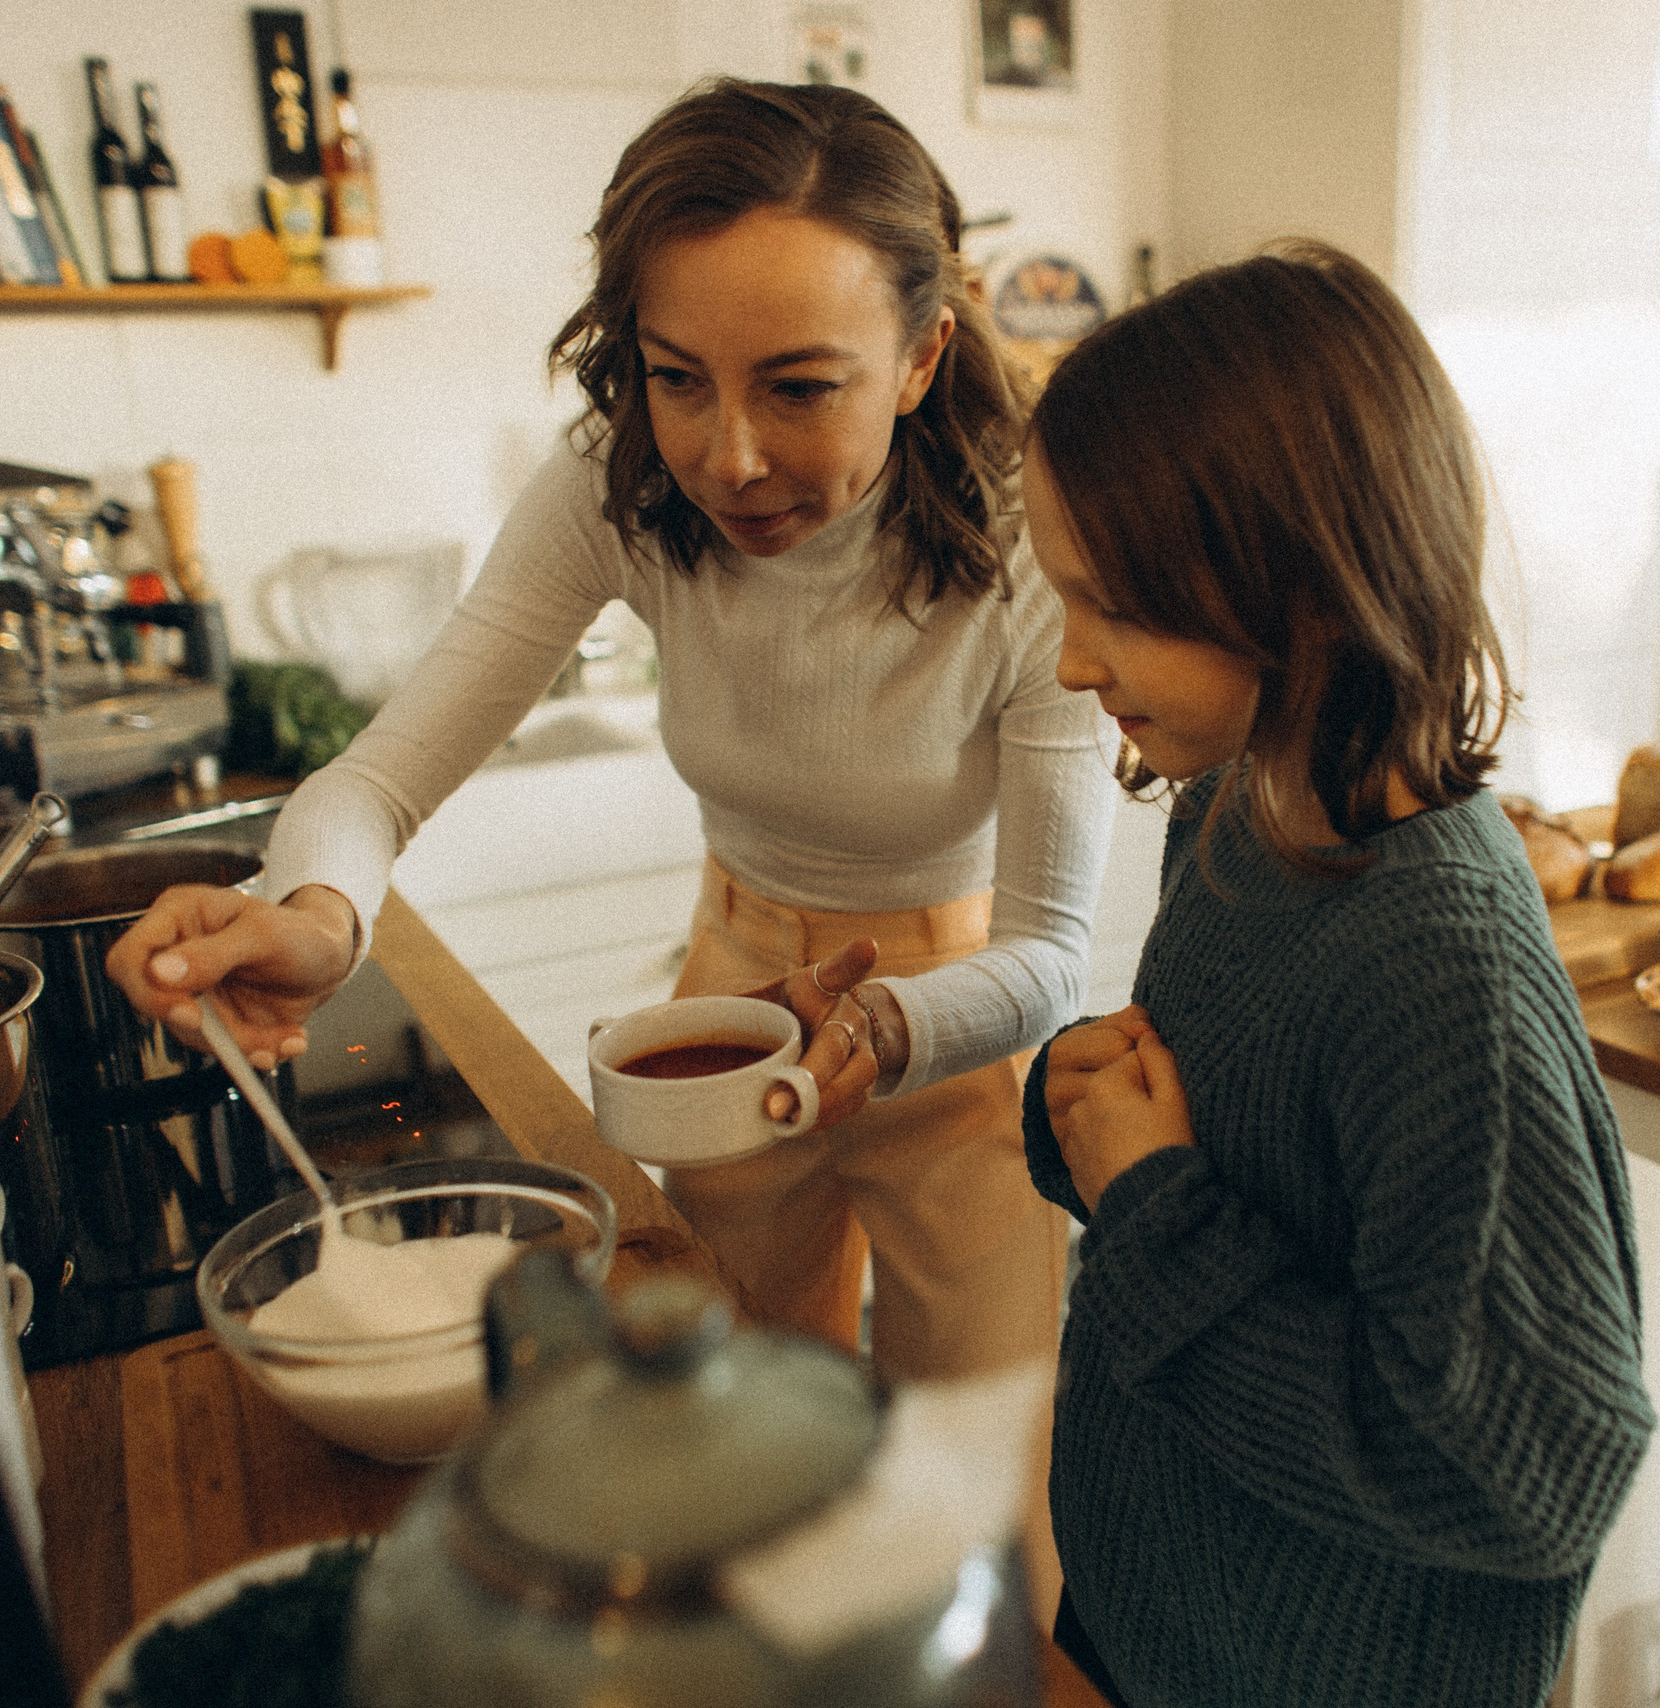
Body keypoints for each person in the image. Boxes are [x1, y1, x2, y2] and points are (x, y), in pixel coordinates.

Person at [105, 79, 1112, 1403]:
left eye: (802, 388)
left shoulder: (1033, 528)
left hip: (954, 1030)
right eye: (677, 377)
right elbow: (378, 778)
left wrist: (875, 1018)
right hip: (726, 1018)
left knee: (981, 1473)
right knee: (733, 1442)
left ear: (923, 355)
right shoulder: (615, 481)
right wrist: (316, 918)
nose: (729, 456)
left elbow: (1048, 951)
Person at [1019, 243, 1656, 1708]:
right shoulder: (1234, 812)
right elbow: (1232, 1163)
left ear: (1301, 593)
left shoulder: (1443, 967)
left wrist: (1149, 1206)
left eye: (1110, 606)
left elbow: (1532, 1469)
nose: (1069, 663)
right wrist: (1088, 1126)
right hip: (1153, 1610)